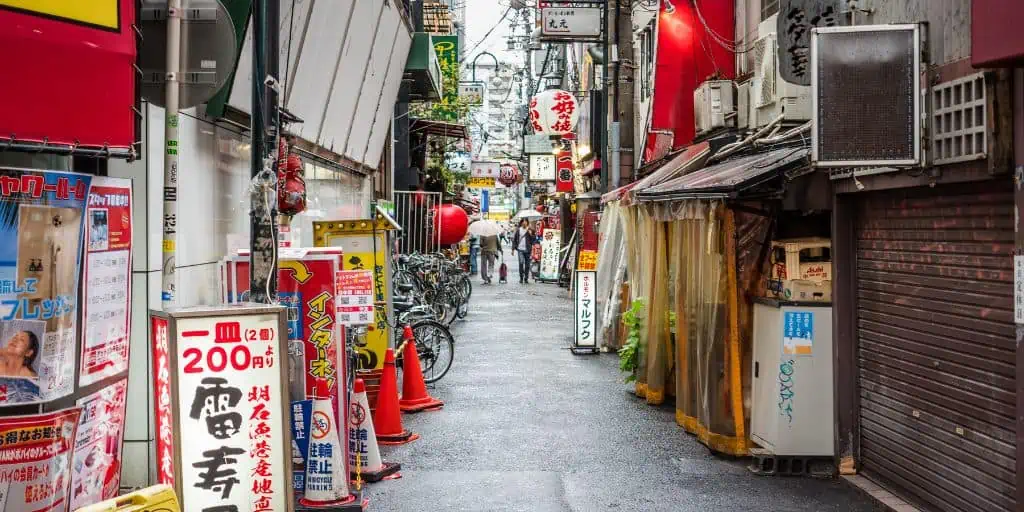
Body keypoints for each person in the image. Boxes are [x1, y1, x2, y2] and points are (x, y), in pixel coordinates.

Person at [511, 219, 536, 284]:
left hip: (528, 250)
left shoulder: (530, 230)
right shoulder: (518, 230)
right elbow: (515, 240)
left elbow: (534, 240)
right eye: (523, 223)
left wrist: (531, 235)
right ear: (521, 223)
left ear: (527, 223)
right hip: (520, 249)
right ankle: (521, 278)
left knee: (527, 265)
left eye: (525, 223)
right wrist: (513, 249)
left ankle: (526, 278)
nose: (524, 224)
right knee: (521, 263)